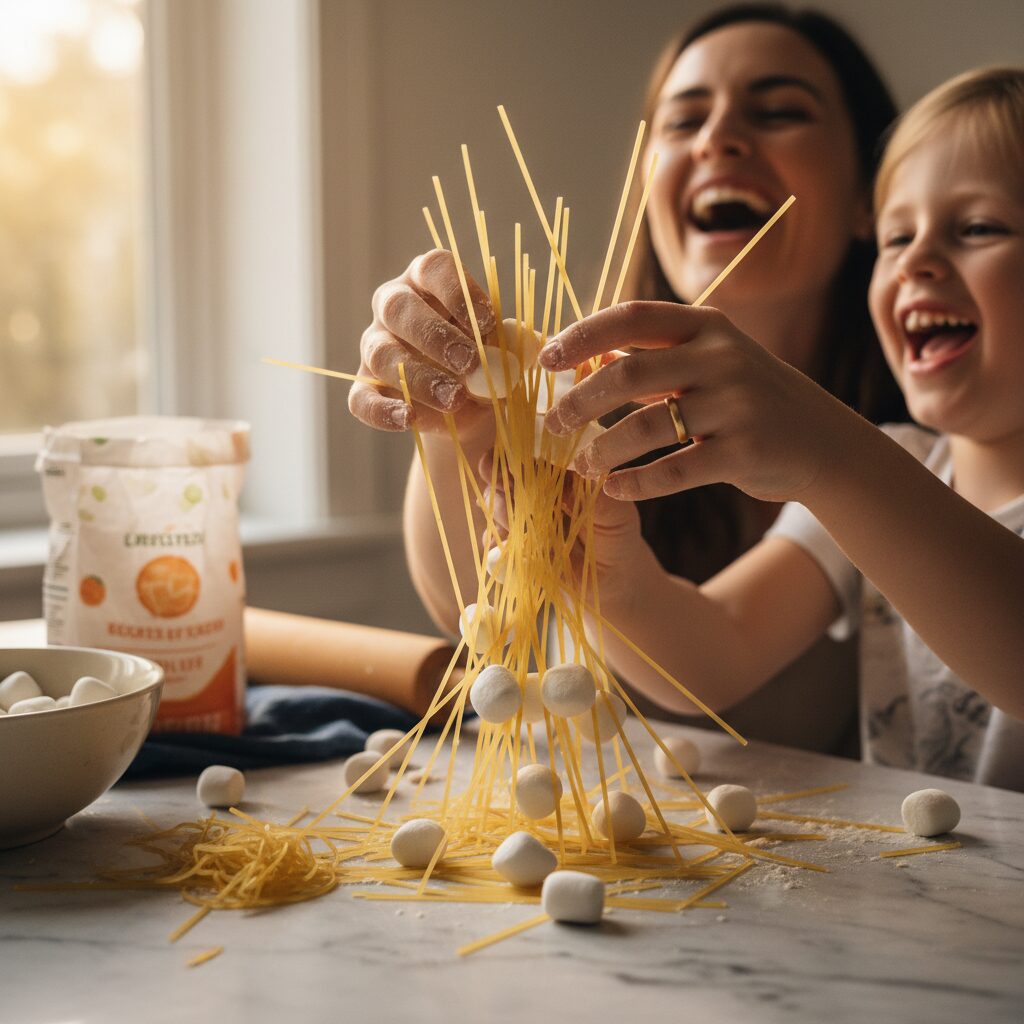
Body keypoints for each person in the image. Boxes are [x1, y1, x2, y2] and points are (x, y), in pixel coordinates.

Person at [349, 4, 906, 754]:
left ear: (871, 195)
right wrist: (460, 407)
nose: (718, 139)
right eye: (682, 122)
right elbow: (470, 606)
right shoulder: (577, 390)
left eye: (778, 112)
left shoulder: (921, 448)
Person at [536, 66, 1024, 790]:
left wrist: (828, 453)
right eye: (895, 237)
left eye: (977, 228)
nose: (916, 261)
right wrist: (606, 578)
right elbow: (714, 649)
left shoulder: (867, 473)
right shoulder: (898, 463)